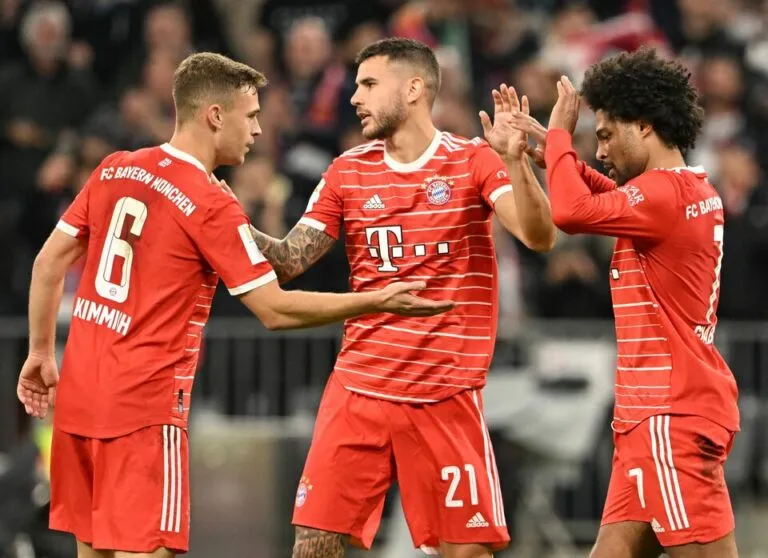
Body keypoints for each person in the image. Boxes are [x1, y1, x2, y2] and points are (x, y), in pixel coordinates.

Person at [15, 51, 453, 558]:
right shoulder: (209, 201)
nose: (259, 130)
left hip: (79, 400)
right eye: (251, 116)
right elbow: (274, 309)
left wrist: (42, 353)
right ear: (215, 115)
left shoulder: (116, 168)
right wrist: (376, 300)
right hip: (144, 413)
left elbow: (47, 264)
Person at [244, 37, 557, 558]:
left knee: (467, 551)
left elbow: (537, 235)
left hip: (444, 392)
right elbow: (290, 259)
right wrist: (226, 216)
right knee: (314, 542)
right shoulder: (347, 170)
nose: (354, 98)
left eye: (368, 84)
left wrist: (516, 163)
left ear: (413, 89)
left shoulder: (473, 161)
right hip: (359, 388)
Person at [511, 48, 740, 558]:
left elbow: (571, 213)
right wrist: (553, 156)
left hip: (669, 418)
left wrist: (559, 137)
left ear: (643, 126)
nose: (602, 151)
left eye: (608, 134)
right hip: (652, 417)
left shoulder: (661, 195)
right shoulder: (689, 188)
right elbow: (598, 196)